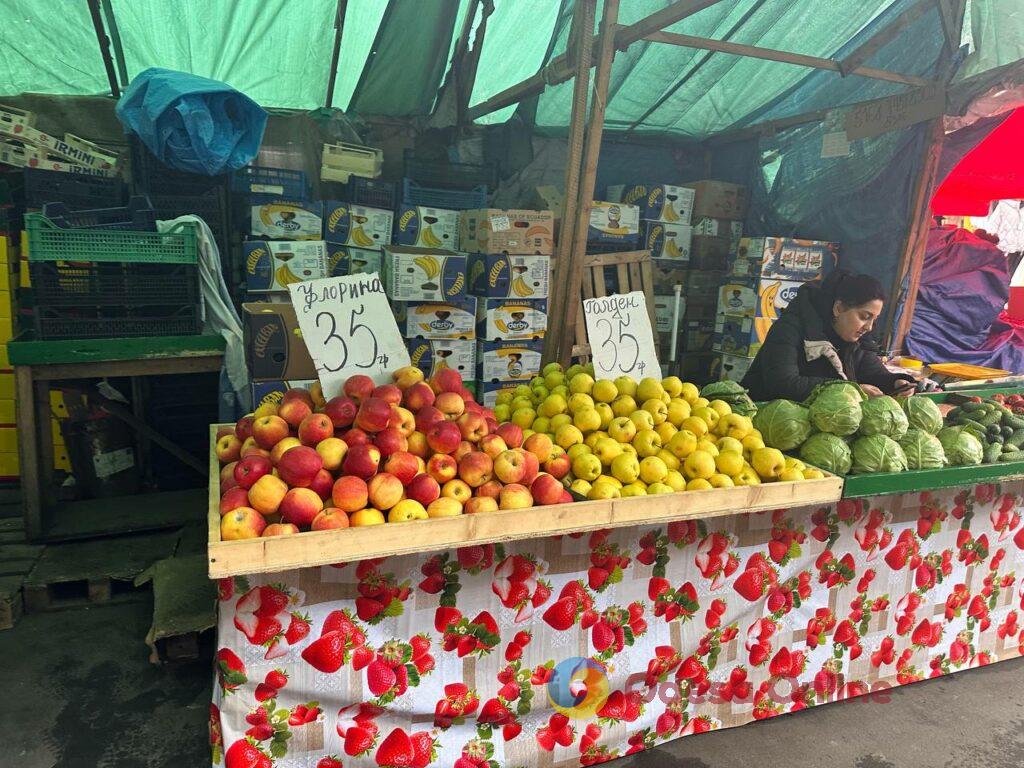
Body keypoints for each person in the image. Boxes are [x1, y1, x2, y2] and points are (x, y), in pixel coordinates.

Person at [742, 270, 916, 402]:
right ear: (838, 308)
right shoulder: (789, 329)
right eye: (864, 317)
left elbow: (873, 372)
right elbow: (783, 383)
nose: (869, 327)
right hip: (761, 419)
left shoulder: (856, 340)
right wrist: (850, 389)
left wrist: (895, 382)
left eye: (874, 319)